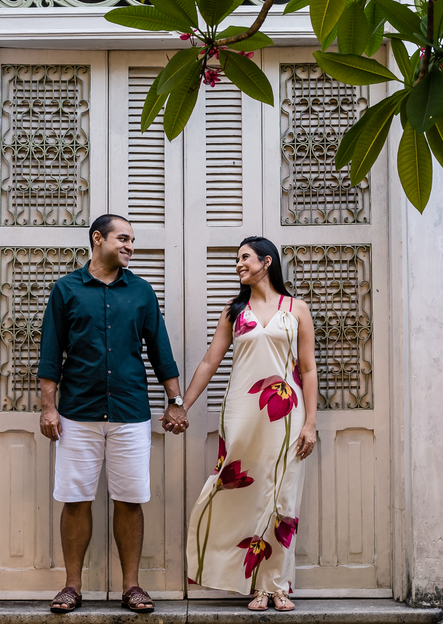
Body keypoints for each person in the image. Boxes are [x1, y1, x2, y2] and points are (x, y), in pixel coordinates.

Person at [37, 214, 189, 613]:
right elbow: (51, 354)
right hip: (77, 414)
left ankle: (132, 587)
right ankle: (71, 587)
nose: (130, 246)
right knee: (75, 499)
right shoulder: (66, 289)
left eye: (133, 240)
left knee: (130, 499)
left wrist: (175, 401)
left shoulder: (140, 292)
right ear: (97, 238)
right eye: (123, 238)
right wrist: (48, 408)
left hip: (130, 412)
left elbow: (160, 350)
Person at [167, 236, 317, 611]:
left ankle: (276, 585)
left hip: (286, 414)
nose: (238, 265)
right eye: (237, 259)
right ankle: (250, 582)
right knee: (239, 490)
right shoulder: (234, 312)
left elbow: (309, 368)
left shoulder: (296, 308)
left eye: (245, 258)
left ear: (266, 262)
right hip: (241, 413)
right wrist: (182, 405)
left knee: (284, 495)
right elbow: (209, 363)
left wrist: (310, 422)